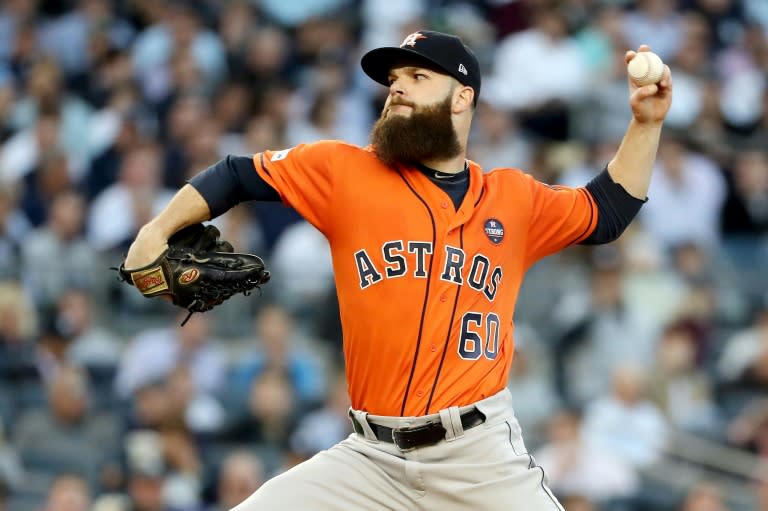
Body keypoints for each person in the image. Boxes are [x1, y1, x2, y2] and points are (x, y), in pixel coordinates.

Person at [123, 30, 672, 511]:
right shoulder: (345, 173)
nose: (398, 88)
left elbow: (606, 211)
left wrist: (645, 125)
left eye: (417, 76)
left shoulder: (514, 200)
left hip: (478, 459)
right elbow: (236, 174)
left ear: (463, 98)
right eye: (393, 79)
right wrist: (156, 230)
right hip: (370, 458)